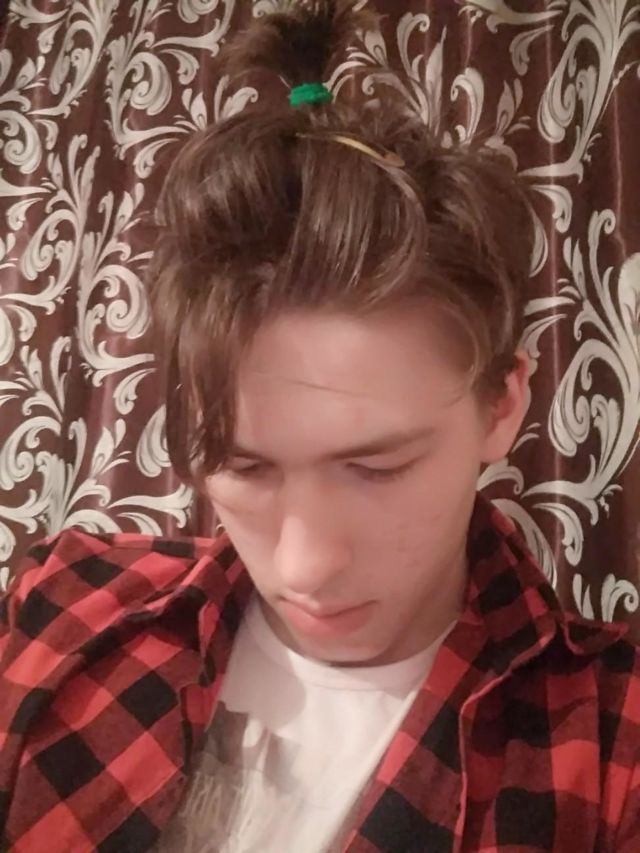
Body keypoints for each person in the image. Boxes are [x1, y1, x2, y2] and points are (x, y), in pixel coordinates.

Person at [1, 2, 639, 851]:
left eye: (377, 468)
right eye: (244, 467)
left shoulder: (612, 739)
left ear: (503, 405)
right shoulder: (62, 605)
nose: (304, 566)